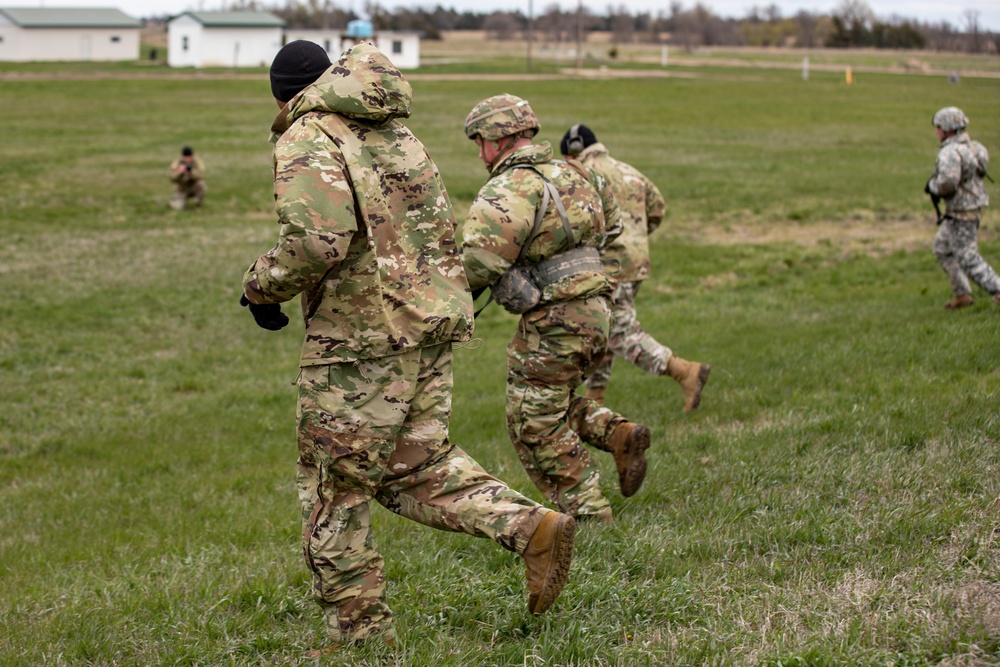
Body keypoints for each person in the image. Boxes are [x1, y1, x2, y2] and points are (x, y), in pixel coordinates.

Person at [240, 41, 577, 653]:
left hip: (359, 342)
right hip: (427, 325)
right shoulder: (396, 132)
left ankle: (360, 637)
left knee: (334, 489)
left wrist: (262, 288)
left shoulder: (309, 134)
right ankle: (530, 526)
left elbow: (317, 241)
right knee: (412, 466)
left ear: (284, 94)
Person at [461, 94, 652, 524]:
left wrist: (445, 299)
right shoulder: (577, 171)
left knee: (533, 421)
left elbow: (478, 261)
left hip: (557, 317)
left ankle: (589, 513)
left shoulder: (509, 187)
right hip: (598, 308)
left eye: (480, 142)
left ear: (499, 138)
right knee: (552, 399)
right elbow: (614, 226)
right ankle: (618, 435)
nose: (479, 152)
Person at [560, 124, 710, 412]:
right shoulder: (628, 170)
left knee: (619, 333)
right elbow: (657, 208)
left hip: (607, 265)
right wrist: (637, 238)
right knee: (602, 328)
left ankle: (684, 371)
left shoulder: (580, 174)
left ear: (571, 154)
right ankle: (596, 399)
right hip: (635, 262)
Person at [925, 106, 999, 309]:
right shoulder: (975, 147)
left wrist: (932, 186)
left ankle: (998, 290)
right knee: (942, 248)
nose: (936, 132)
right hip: (970, 208)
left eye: (938, 127)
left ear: (947, 129)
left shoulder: (950, 152)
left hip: (961, 213)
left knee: (968, 259)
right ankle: (962, 294)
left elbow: (947, 184)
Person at [168, 146, 206, 210]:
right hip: (182, 188)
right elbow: (171, 178)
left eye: (189, 158)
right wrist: (179, 172)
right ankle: (178, 201)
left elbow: (201, 174)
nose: (187, 160)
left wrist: (191, 173)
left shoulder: (197, 161)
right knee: (178, 207)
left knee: (201, 185)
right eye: (185, 158)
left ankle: (198, 203)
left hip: (193, 185)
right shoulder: (177, 162)